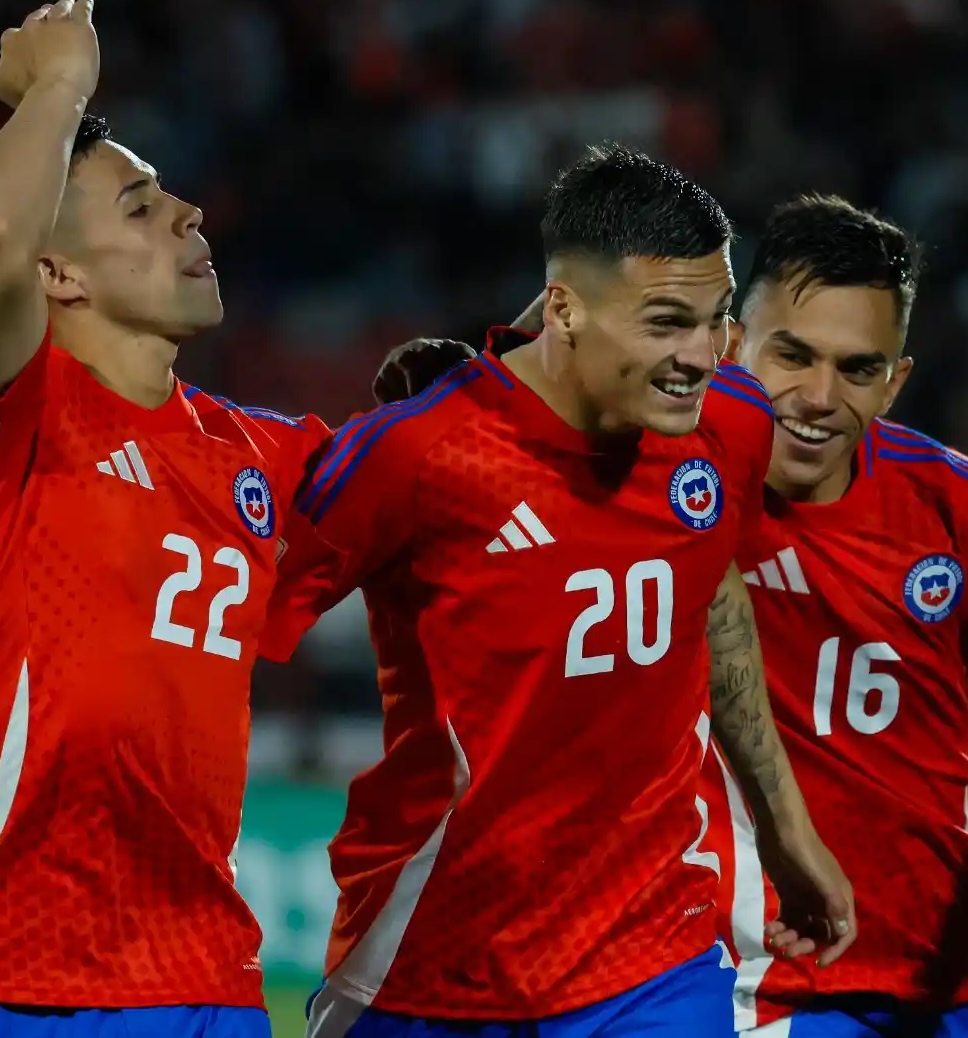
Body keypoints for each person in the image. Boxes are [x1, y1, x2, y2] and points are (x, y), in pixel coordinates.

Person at [376, 193, 968, 1037]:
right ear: (732, 343)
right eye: (792, 354)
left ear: (895, 382)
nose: (818, 396)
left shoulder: (956, 503)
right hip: (756, 980)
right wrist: (479, 382)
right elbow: (566, 369)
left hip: (951, 978)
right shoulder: (660, 471)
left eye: (858, 369)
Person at [262, 145, 856, 1038]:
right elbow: (229, 623)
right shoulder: (420, 453)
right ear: (565, 308)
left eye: (717, 320)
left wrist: (785, 825)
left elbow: (711, 594)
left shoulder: (729, 424)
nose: (702, 356)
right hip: (431, 962)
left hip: (653, 955)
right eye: (667, 323)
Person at [0, 0, 322, 1037]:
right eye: (139, 205)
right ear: (57, 270)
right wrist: (59, 87)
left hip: (202, 979)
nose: (189, 214)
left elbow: (454, 462)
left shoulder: (260, 455)